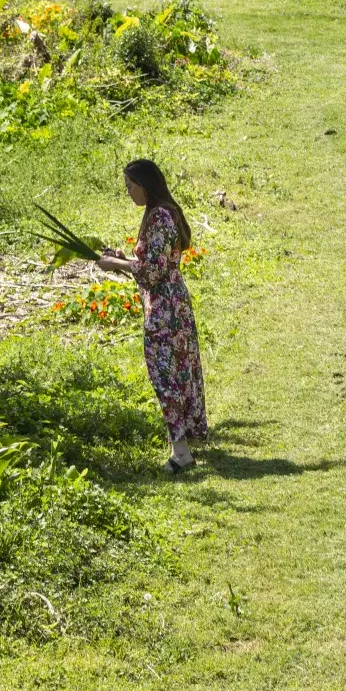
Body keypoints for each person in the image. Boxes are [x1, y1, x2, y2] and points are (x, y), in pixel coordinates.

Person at [98, 159, 208, 475]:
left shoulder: (159, 217)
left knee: (166, 377)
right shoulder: (159, 213)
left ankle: (182, 452)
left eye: (131, 187)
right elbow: (151, 263)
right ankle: (181, 445)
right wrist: (122, 258)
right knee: (174, 373)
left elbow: (153, 271)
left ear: (146, 186)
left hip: (165, 310)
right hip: (169, 305)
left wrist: (116, 266)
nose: (129, 193)